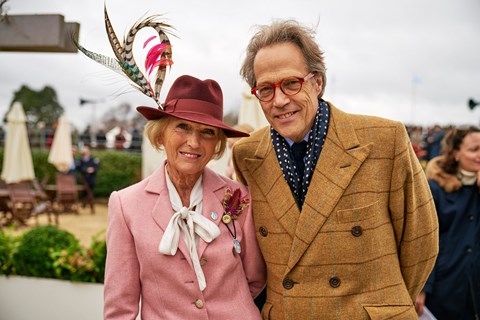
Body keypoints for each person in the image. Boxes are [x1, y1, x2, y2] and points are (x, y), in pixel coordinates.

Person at [232, 19, 439, 319]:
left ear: (317, 82)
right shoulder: (247, 154)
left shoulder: (384, 139)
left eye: (292, 83)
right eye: (265, 89)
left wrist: (384, 306)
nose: (279, 100)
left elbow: (421, 241)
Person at [104, 75, 266, 319]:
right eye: (182, 126)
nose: (194, 142)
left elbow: (255, 278)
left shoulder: (238, 196)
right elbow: (120, 308)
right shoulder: (126, 205)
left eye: (207, 132)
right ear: (161, 134)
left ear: (217, 145)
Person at [416, 126, 480, 320]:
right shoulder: (435, 189)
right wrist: (422, 288)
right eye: (474, 149)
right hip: (445, 288)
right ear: (455, 154)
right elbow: (423, 242)